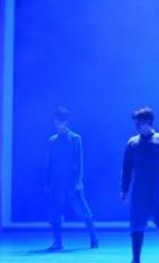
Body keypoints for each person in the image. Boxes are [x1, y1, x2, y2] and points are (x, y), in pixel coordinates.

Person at [121, 107, 159, 263]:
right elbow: (127, 168)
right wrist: (124, 189)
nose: (137, 125)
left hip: (158, 193)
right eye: (136, 123)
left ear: (148, 121)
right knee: (137, 226)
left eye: (139, 122)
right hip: (139, 194)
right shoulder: (132, 143)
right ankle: (136, 258)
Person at [44, 106, 98, 251]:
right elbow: (48, 163)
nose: (57, 124)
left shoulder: (75, 139)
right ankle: (57, 242)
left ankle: (93, 238)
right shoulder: (52, 141)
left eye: (59, 121)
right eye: (55, 122)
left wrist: (78, 181)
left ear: (66, 121)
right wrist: (47, 182)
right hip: (56, 182)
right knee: (54, 211)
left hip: (72, 181)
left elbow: (79, 162)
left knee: (83, 209)